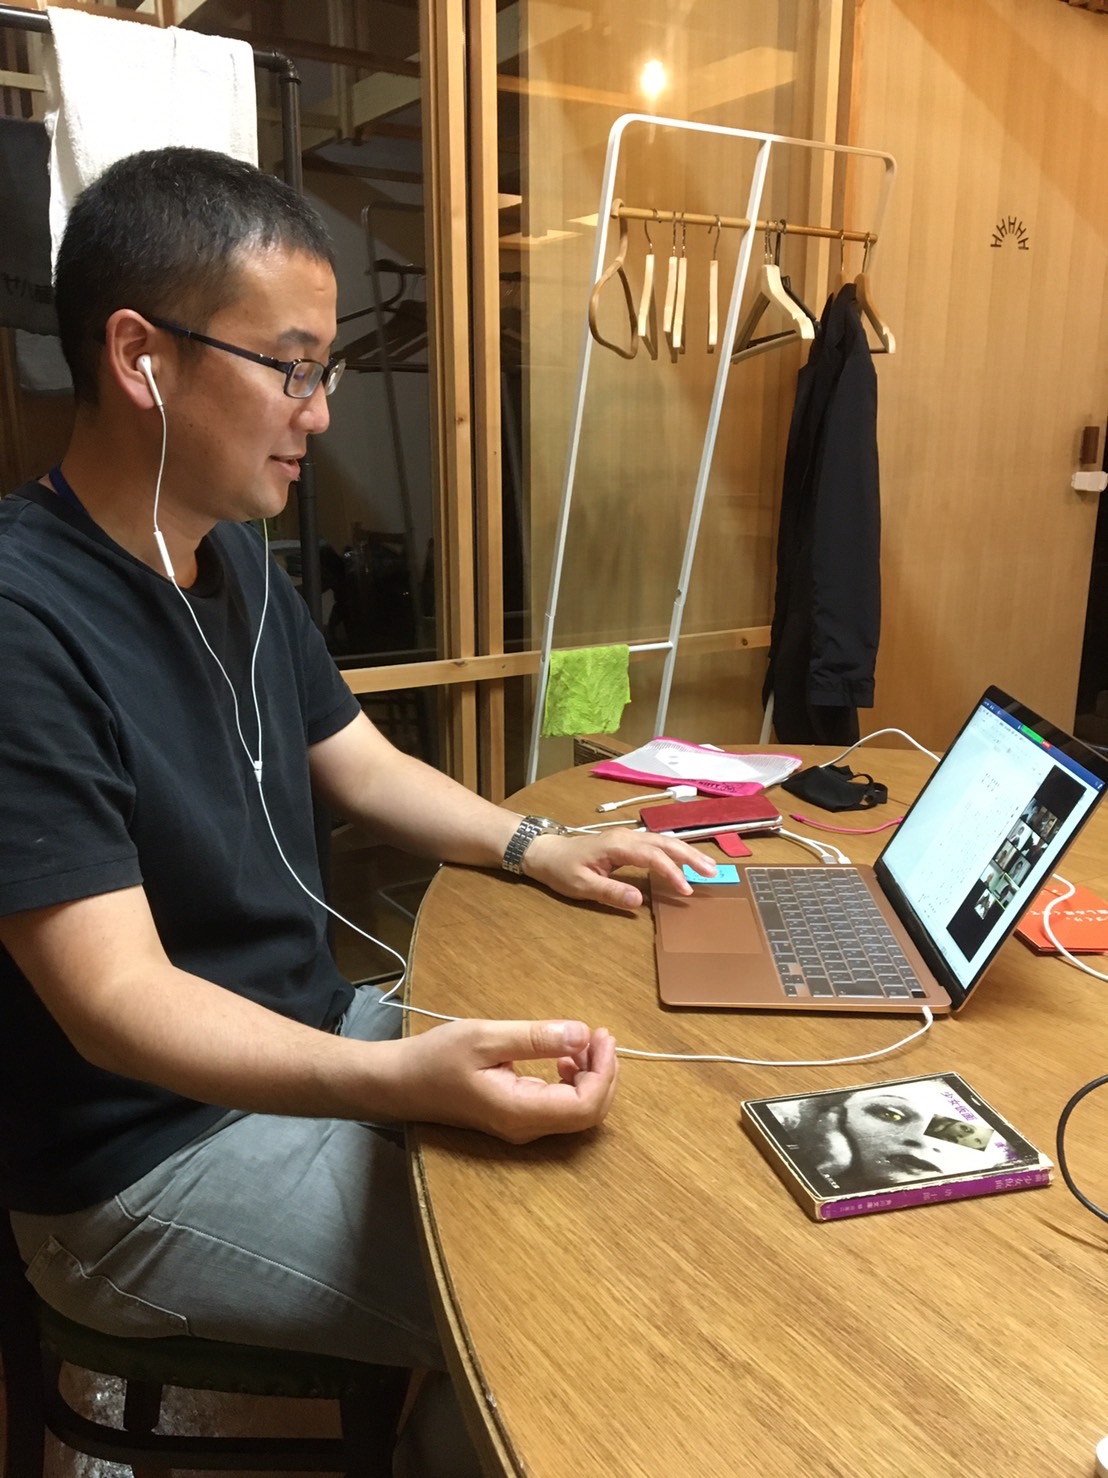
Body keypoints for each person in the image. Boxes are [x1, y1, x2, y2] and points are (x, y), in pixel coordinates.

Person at [0, 147, 715, 1474]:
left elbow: (362, 762)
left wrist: (539, 843)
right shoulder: (22, 620)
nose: (320, 412)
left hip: (310, 1039)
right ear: (141, 357)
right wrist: (396, 1078)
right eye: (292, 367)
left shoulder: (232, 557)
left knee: (633, 1135)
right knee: (568, 1291)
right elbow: (117, 1000)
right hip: (142, 1167)